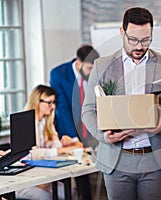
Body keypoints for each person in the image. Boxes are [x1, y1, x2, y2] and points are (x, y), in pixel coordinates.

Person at [82, 7, 161, 200]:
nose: (139, 46)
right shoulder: (102, 66)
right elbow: (88, 110)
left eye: (146, 40)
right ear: (121, 32)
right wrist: (103, 135)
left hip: (156, 158)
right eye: (133, 39)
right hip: (116, 159)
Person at [50, 44, 99, 200]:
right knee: (79, 174)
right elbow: (62, 109)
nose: (92, 73)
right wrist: (75, 139)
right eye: (89, 68)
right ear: (79, 63)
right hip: (70, 131)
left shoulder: (93, 75)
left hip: (90, 128)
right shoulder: (59, 74)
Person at [16, 85, 82, 200]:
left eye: (54, 102)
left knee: (71, 193)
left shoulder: (46, 122)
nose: (53, 107)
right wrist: (63, 149)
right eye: (49, 103)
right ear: (38, 101)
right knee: (46, 197)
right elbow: (31, 153)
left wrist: (67, 143)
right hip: (25, 181)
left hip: (42, 177)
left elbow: (55, 145)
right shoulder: (25, 123)